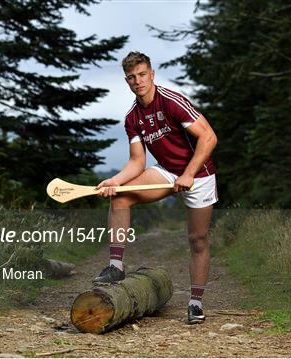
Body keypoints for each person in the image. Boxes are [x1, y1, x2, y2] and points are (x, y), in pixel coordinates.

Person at [93, 51, 218, 324]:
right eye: (131, 78)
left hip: (199, 174)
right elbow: (137, 162)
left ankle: (196, 303)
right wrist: (116, 180)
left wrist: (188, 174)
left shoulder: (172, 102)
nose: (138, 81)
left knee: (197, 240)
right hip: (167, 171)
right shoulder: (133, 117)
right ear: (126, 81)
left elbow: (209, 137)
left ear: (151, 74)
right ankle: (116, 266)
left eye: (141, 75)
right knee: (121, 198)